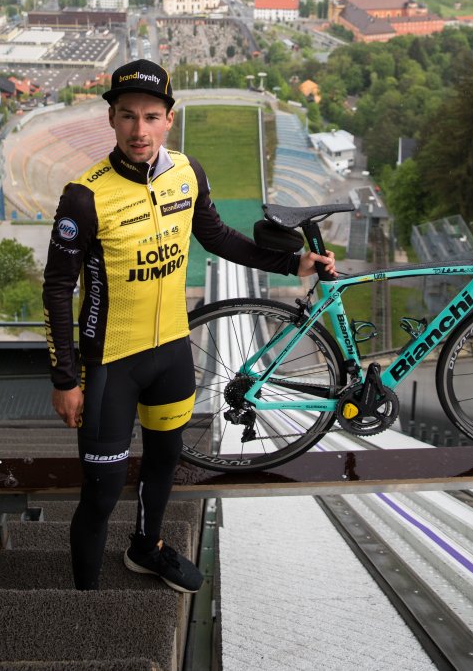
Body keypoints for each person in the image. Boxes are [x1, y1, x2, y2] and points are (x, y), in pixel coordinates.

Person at [42, 59, 336, 593]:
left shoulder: (187, 172)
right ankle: (82, 602)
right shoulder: (83, 196)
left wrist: (291, 265)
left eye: (151, 116)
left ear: (168, 119)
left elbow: (218, 237)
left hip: (173, 353)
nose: (139, 129)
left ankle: (146, 549)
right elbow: (57, 290)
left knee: (163, 468)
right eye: (127, 116)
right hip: (110, 363)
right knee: (102, 494)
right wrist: (65, 378)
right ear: (111, 119)